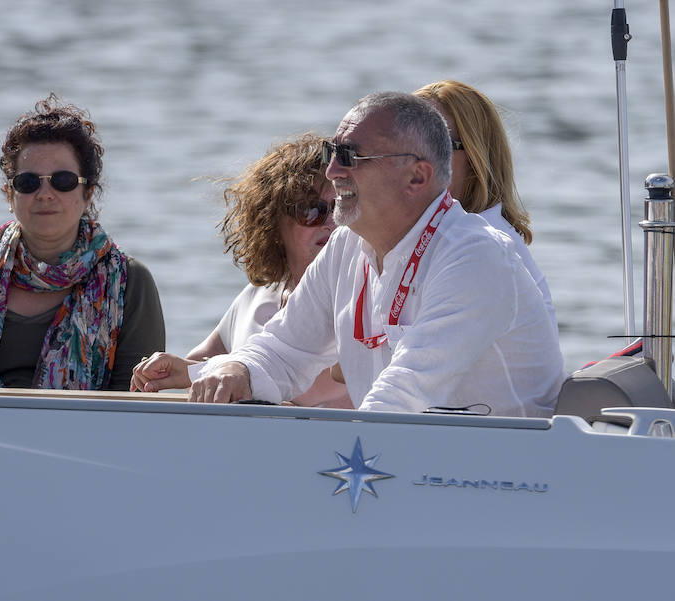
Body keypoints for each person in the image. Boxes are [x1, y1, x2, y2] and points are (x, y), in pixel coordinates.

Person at [132, 92, 566, 417]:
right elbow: (284, 349)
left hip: (498, 486)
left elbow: (405, 396)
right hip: (411, 471)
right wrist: (235, 369)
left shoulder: (477, 256)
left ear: (417, 177)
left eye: (350, 156)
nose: (331, 171)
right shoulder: (346, 246)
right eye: (331, 153)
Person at [0, 94, 165, 394]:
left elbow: (133, 401)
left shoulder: (131, 282)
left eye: (62, 180)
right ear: (10, 195)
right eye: (28, 182)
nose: (45, 194)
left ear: (88, 194)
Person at [183, 133, 351, 408]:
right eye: (311, 211)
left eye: (341, 207)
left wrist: (215, 370)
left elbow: (303, 388)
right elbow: (195, 363)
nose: (330, 223)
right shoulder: (257, 295)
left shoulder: (361, 298)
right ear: (273, 226)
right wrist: (168, 370)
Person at [413, 79, 556, 328]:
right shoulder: (416, 238)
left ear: (475, 158)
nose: (415, 161)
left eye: (436, 144)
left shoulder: (489, 249)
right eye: (404, 144)